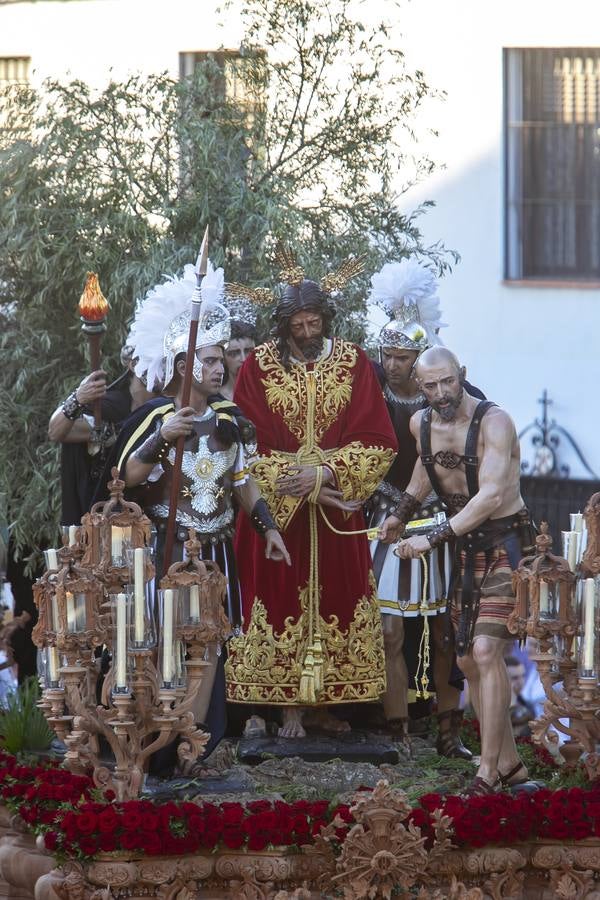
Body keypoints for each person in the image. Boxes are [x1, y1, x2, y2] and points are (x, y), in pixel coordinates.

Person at [102, 261, 290, 760]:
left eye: (219, 360)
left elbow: (243, 481)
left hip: (218, 549)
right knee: (166, 644)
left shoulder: (231, 419)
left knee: (209, 645)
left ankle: (196, 742)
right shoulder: (159, 418)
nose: (220, 368)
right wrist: (160, 442)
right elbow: (126, 479)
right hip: (170, 548)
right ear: (185, 366)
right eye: (208, 360)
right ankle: (157, 743)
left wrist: (268, 526)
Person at [224, 246, 398, 738]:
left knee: (336, 602)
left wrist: (323, 477)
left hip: (337, 513)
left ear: (325, 319)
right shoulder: (258, 367)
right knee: (277, 599)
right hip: (276, 515)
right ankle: (287, 708)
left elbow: (379, 440)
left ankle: (323, 703)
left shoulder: (354, 362)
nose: (306, 333)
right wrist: (297, 481)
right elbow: (245, 447)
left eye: (313, 323)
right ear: (283, 326)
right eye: (297, 326)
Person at [391, 346, 536, 795]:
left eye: (447, 382)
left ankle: (487, 772)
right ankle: (512, 766)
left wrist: (430, 537)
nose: (440, 393)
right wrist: (402, 511)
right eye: (430, 386)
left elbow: (490, 496)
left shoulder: (495, 422)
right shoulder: (422, 423)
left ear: (462, 376)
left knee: (488, 652)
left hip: (506, 544)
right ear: (421, 387)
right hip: (465, 548)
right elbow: (424, 465)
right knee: (467, 659)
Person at [367, 259, 476, 757]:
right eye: (388, 354)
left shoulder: (456, 396)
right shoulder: (370, 393)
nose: (394, 364)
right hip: (387, 515)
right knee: (389, 627)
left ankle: (448, 729)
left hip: (443, 520)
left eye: (403, 354)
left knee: (446, 627)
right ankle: (396, 729)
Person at [48, 345, 154, 525]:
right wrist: (78, 399)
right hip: (105, 515)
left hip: (156, 517)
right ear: (134, 364)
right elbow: (56, 431)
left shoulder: (171, 407)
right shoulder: (106, 407)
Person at [220, 313, 257, 402]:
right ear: (223, 358)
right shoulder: (215, 400)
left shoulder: (270, 393)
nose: (244, 359)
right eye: (234, 353)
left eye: (249, 351)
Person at [505, 653, 536, 738]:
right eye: (514, 678)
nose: (521, 682)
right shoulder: (488, 705)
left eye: (523, 676)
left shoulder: (526, 703)